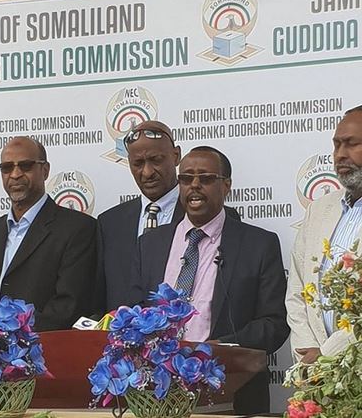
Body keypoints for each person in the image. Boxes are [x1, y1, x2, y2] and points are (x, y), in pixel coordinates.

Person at [130, 146, 289, 414]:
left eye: (205, 178)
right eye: (186, 178)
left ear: (226, 185)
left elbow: (274, 324)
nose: (194, 185)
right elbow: (136, 310)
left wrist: (220, 349)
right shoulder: (150, 244)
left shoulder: (259, 244)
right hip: (158, 394)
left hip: (231, 392)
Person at [94, 121, 240, 312]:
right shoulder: (110, 223)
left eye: (156, 160)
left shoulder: (215, 216)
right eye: (138, 163)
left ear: (176, 156)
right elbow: (98, 300)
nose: (147, 172)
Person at [0, 137, 96, 331]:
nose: (15, 174)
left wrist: (12, 335)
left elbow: (69, 306)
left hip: (43, 346)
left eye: (25, 166)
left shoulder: (77, 229)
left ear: (45, 170)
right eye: (7, 168)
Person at [286, 106, 362, 364]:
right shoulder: (319, 210)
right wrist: (307, 353)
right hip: (314, 373)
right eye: (336, 145)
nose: (340, 155)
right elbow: (297, 289)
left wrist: (327, 356)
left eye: (351, 144)